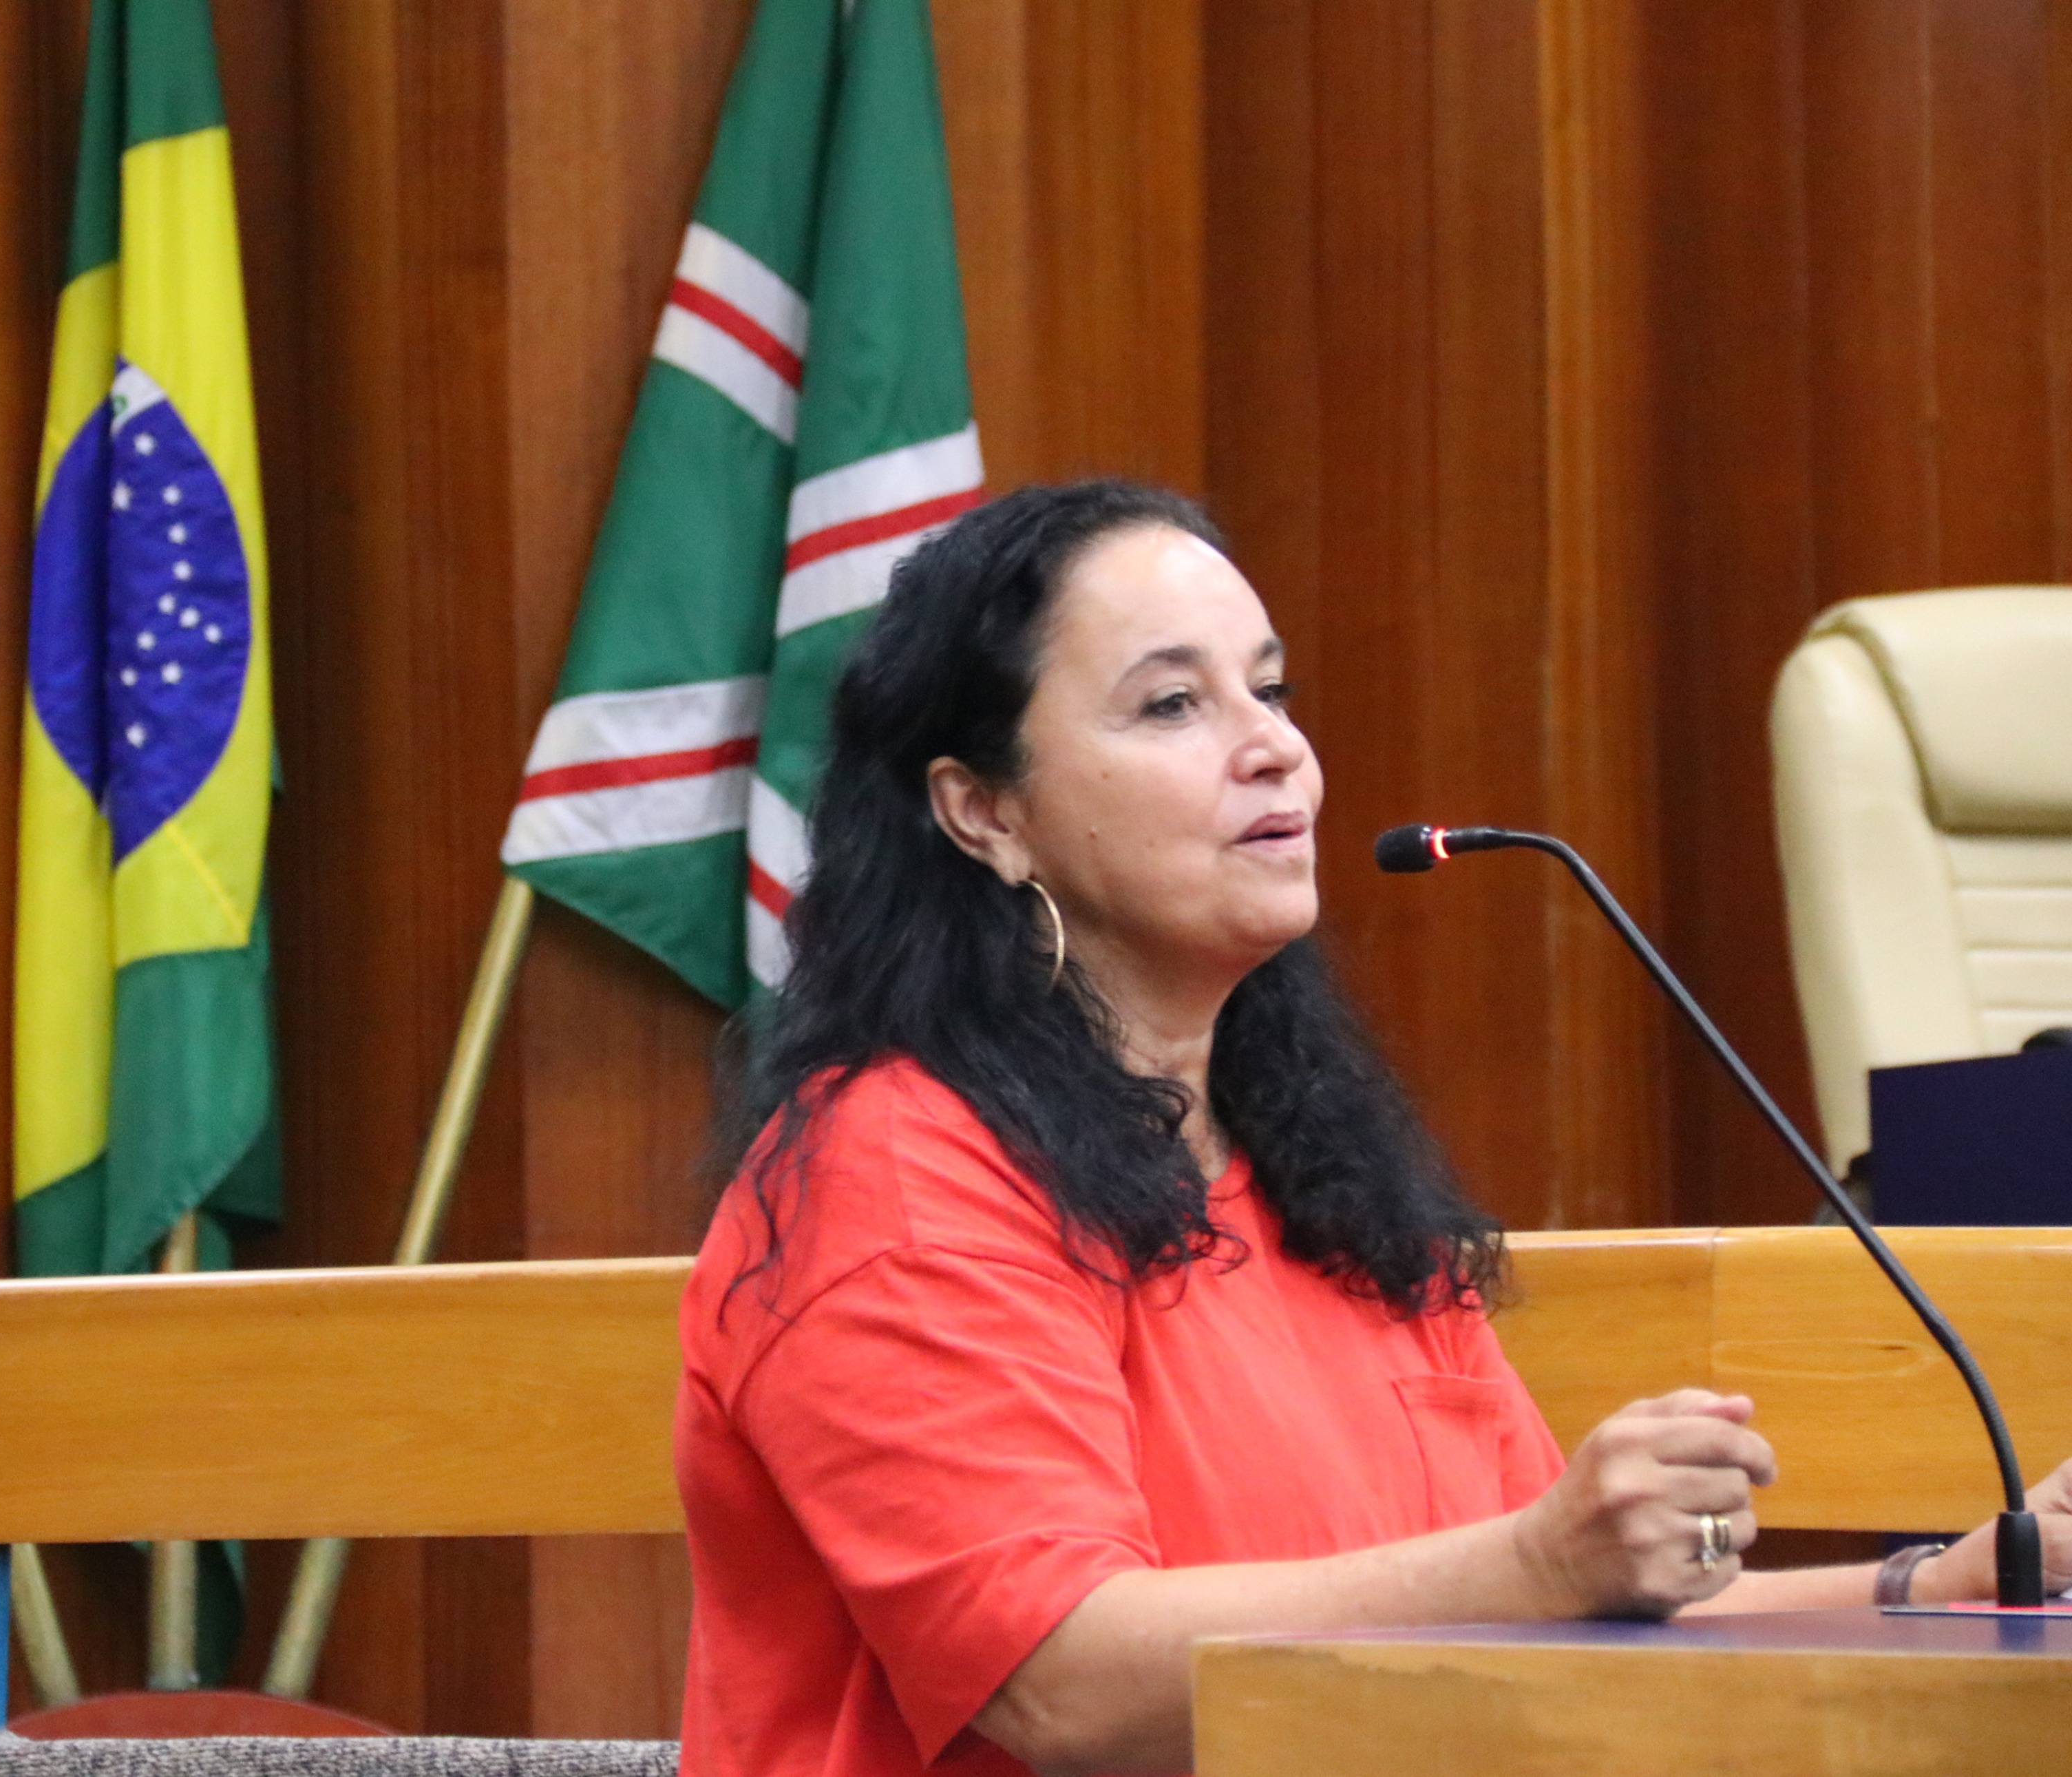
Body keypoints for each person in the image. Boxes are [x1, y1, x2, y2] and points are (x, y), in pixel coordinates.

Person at [673, 480, 2072, 1777]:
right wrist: (1541, 1563)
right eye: (1173, 704)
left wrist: (1936, 1584)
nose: (1275, 746)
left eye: (1271, 689)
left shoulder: (1321, 1177)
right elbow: (1061, 1684)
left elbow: (1560, 1603)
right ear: (984, 812)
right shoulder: (898, 1168)